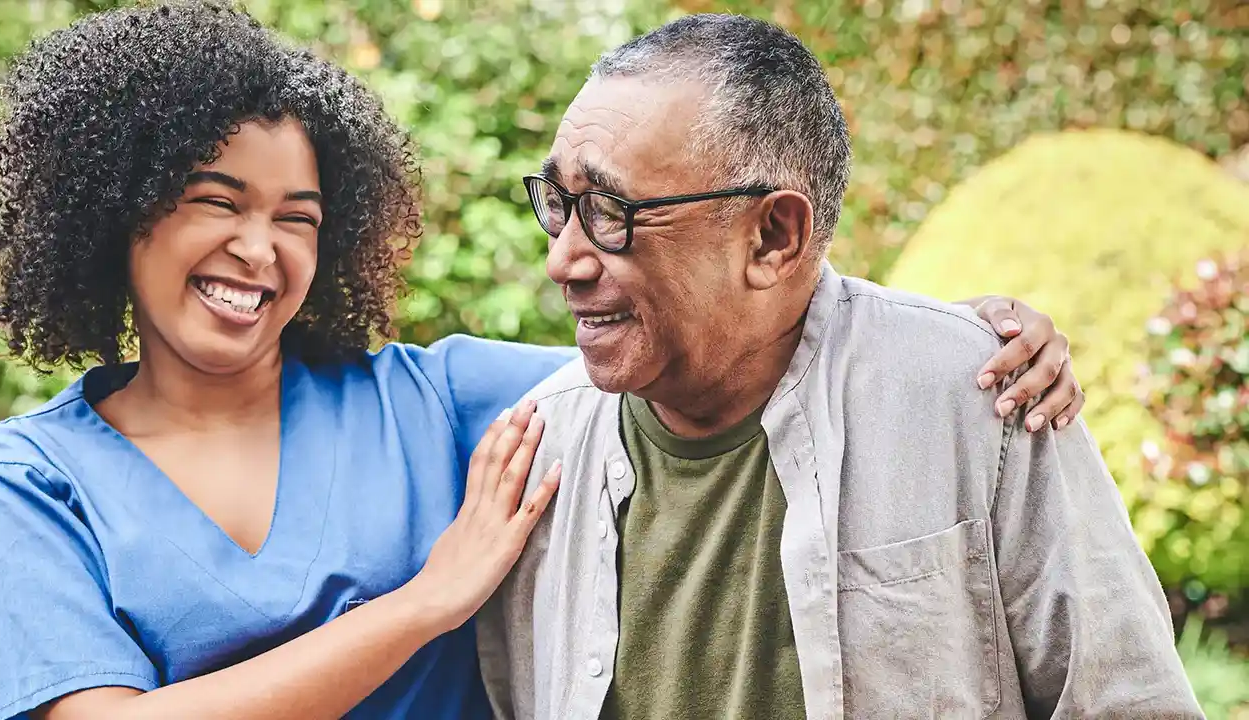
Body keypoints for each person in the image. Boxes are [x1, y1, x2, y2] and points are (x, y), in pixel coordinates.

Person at [0, 3, 1081, 719]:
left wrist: (961, 333)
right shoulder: (28, 482)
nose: (259, 250)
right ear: (116, 215)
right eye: (217, 203)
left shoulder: (438, 400)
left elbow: (708, 336)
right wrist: (422, 605)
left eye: (298, 217)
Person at [476, 13, 1202, 720]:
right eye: (561, 204)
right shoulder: (537, 454)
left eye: (609, 211)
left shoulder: (984, 397)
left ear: (773, 237)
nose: (562, 259)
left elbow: (1129, 702)